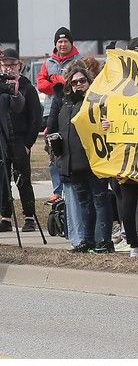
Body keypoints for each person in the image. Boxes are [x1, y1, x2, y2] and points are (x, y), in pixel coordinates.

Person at [49, 62, 113, 252]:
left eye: (82, 80)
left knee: (100, 200)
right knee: (84, 202)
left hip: (94, 160)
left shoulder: (97, 99)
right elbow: (57, 128)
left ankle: (104, 240)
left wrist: (108, 126)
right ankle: (86, 240)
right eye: (74, 82)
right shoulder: (65, 102)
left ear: (89, 81)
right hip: (72, 162)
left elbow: (110, 122)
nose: (78, 84)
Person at [0, 49, 42, 233]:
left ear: (19, 65)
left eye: (12, 64)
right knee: (3, 179)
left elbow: (35, 117)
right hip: (2, 139)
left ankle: (29, 216)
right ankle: (5, 217)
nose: (9, 68)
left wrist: (28, 143)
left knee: (22, 179)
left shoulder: (27, 87)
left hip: (20, 139)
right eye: (5, 65)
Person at [37, 27, 79, 204]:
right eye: (59, 42)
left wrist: (57, 82)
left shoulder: (79, 61)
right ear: (56, 44)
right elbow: (40, 84)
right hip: (51, 113)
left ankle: (72, 187)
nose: (62, 45)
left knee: (70, 151)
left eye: (65, 41)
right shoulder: (48, 63)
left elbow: (76, 84)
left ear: (71, 43)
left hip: (71, 111)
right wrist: (57, 86)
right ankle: (57, 190)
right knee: (53, 152)